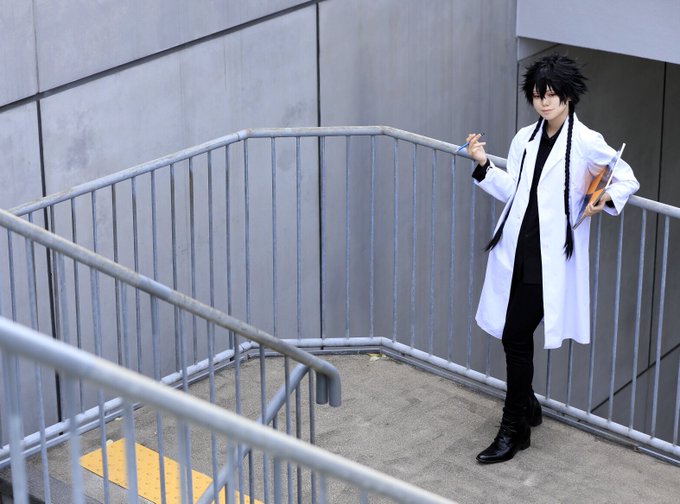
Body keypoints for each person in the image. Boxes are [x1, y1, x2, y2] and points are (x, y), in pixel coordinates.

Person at [464, 53, 639, 464]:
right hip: (516, 249)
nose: (544, 102)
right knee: (514, 335)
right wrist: (483, 164)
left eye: (551, 94)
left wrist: (605, 198)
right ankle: (527, 407)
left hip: (551, 259)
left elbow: (627, 176)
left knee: (515, 335)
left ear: (568, 96)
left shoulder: (587, 142)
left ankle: (515, 427)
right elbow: (514, 191)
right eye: (537, 95)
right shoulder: (524, 138)